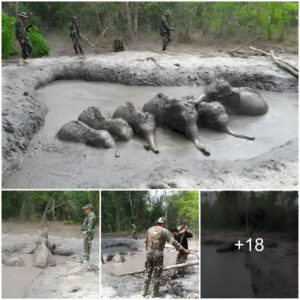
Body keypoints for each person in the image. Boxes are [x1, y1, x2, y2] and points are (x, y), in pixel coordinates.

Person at [143, 217, 190, 297]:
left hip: (149, 254)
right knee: (157, 274)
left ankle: (144, 291)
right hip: (158, 255)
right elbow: (174, 242)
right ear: (164, 223)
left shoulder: (150, 229)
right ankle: (154, 294)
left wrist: (148, 251)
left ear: (157, 222)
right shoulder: (164, 231)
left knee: (147, 272)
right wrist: (184, 250)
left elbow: (145, 242)